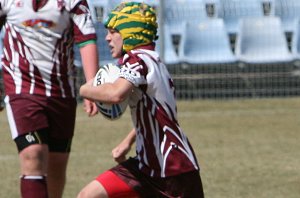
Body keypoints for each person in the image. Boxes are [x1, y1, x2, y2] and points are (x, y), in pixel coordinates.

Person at [78, 2, 205, 197]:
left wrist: (85, 88)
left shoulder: (137, 59)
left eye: (113, 31)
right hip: (145, 165)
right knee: (88, 195)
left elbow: (115, 94)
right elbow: (155, 113)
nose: (107, 38)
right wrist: (127, 142)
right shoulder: (153, 59)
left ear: (130, 32)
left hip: (173, 169)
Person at [0, 0, 99, 197]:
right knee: (33, 155)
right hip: (22, 89)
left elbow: (87, 40)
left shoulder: (74, 2)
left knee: (57, 165)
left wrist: (92, 87)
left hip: (61, 92)